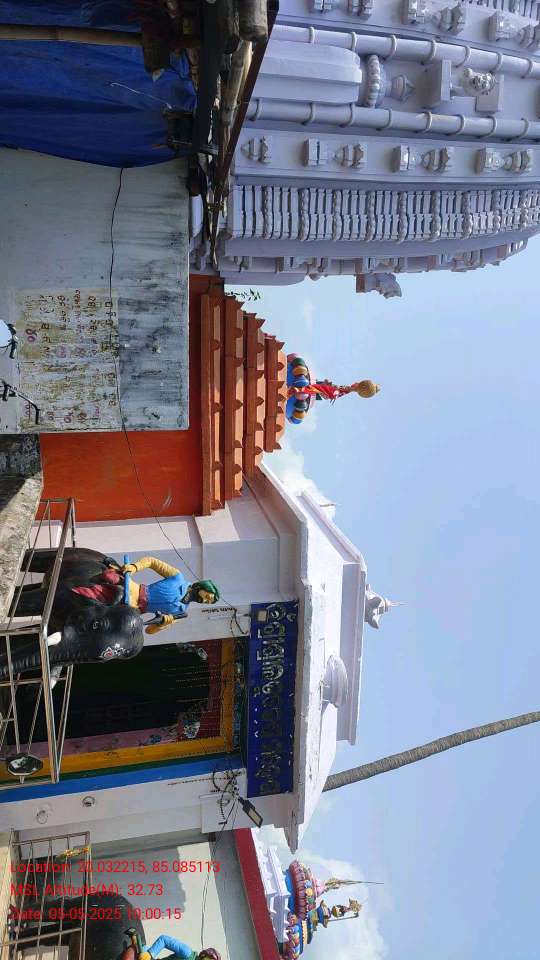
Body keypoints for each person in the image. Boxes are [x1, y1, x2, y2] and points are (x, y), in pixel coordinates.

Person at [72, 557, 220, 636]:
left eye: (208, 602)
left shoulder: (180, 612)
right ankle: (71, 593)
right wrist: (135, 567)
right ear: (202, 587)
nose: (205, 601)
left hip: (134, 611)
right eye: (208, 596)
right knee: (104, 585)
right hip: (133, 590)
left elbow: (149, 631)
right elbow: (152, 561)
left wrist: (164, 624)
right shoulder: (177, 577)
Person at [139, 935, 221, 960]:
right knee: (141, 951)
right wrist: (150, 954)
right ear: (203, 955)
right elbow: (164, 939)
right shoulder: (187, 953)